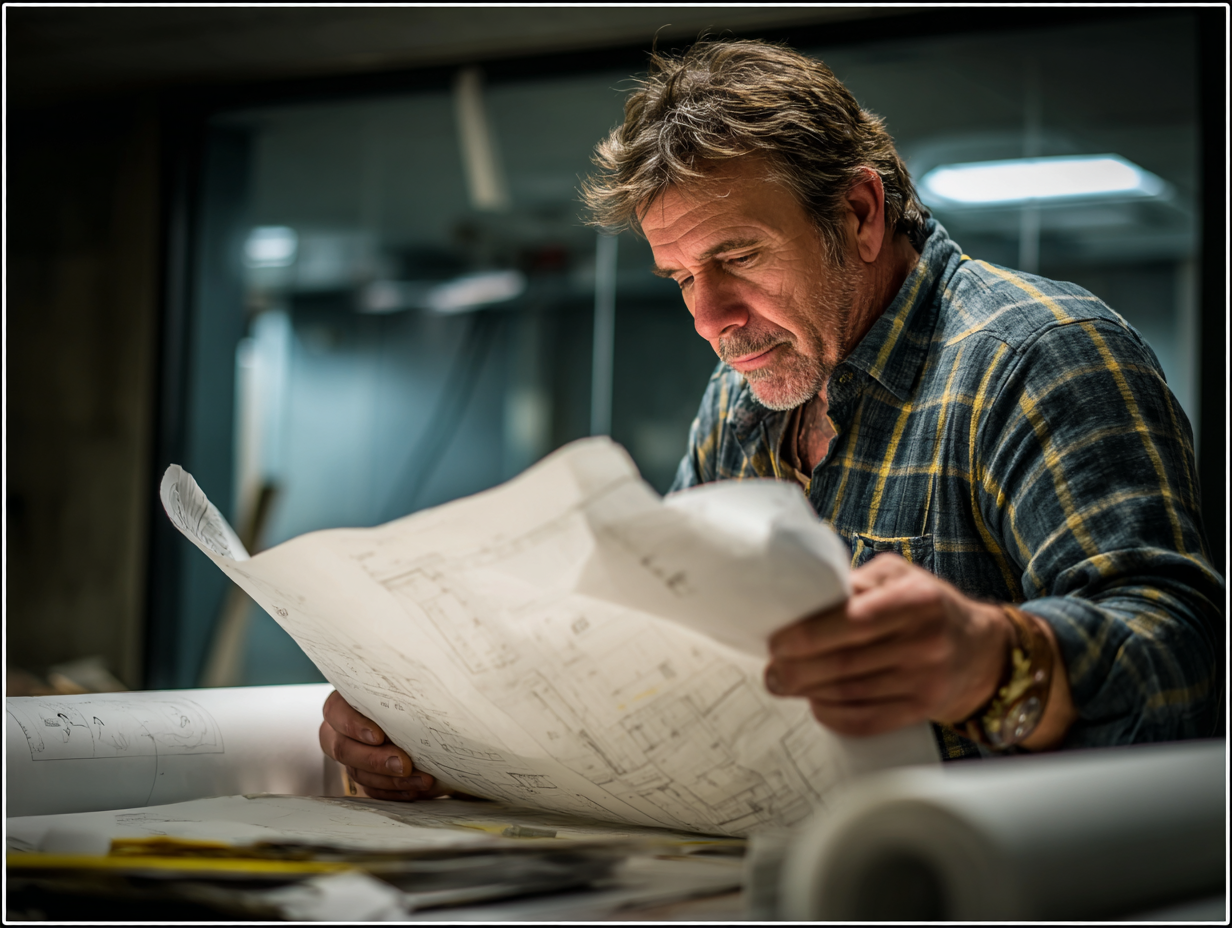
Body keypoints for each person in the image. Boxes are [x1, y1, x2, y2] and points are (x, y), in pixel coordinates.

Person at [319, 39, 1223, 799]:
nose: (709, 318)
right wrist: (442, 724)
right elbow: (654, 663)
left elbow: (1190, 664)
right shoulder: (744, 400)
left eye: (738, 256)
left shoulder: (1035, 358)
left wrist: (995, 661)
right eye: (680, 279)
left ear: (861, 214)